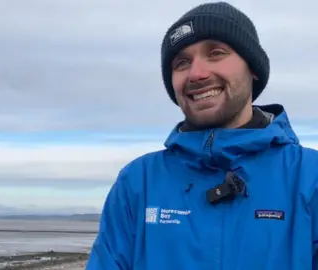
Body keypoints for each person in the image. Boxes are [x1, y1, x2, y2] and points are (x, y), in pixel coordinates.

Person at [86, 1, 318, 270]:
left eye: (216, 53)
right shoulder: (138, 183)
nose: (196, 74)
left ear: (253, 67)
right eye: (182, 62)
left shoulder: (309, 178)